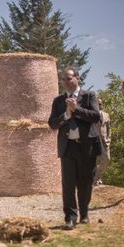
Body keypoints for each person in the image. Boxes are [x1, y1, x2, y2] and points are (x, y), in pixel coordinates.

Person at [48, 67, 103, 230]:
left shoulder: (89, 96)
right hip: (68, 147)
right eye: (63, 79)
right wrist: (66, 115)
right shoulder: (58, 101)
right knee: (68, 184)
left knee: (85, 183)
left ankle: (84, 213)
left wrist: (76, 110)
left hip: (87, 147)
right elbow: (52, 124)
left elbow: (95, 116)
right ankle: (70, 217)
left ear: (78, 78)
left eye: (69, 78)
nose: (66, 82)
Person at [94, 97, 111, 185]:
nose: (99, 105)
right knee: (95, 161)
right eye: (98, 104)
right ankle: (96, 179)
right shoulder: (91, 114)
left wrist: (109, 139)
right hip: (94, 140)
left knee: (106, 159)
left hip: (105, 141)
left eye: (100, 104)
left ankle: (97, 176)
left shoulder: (106, 115)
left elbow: (109, 128)